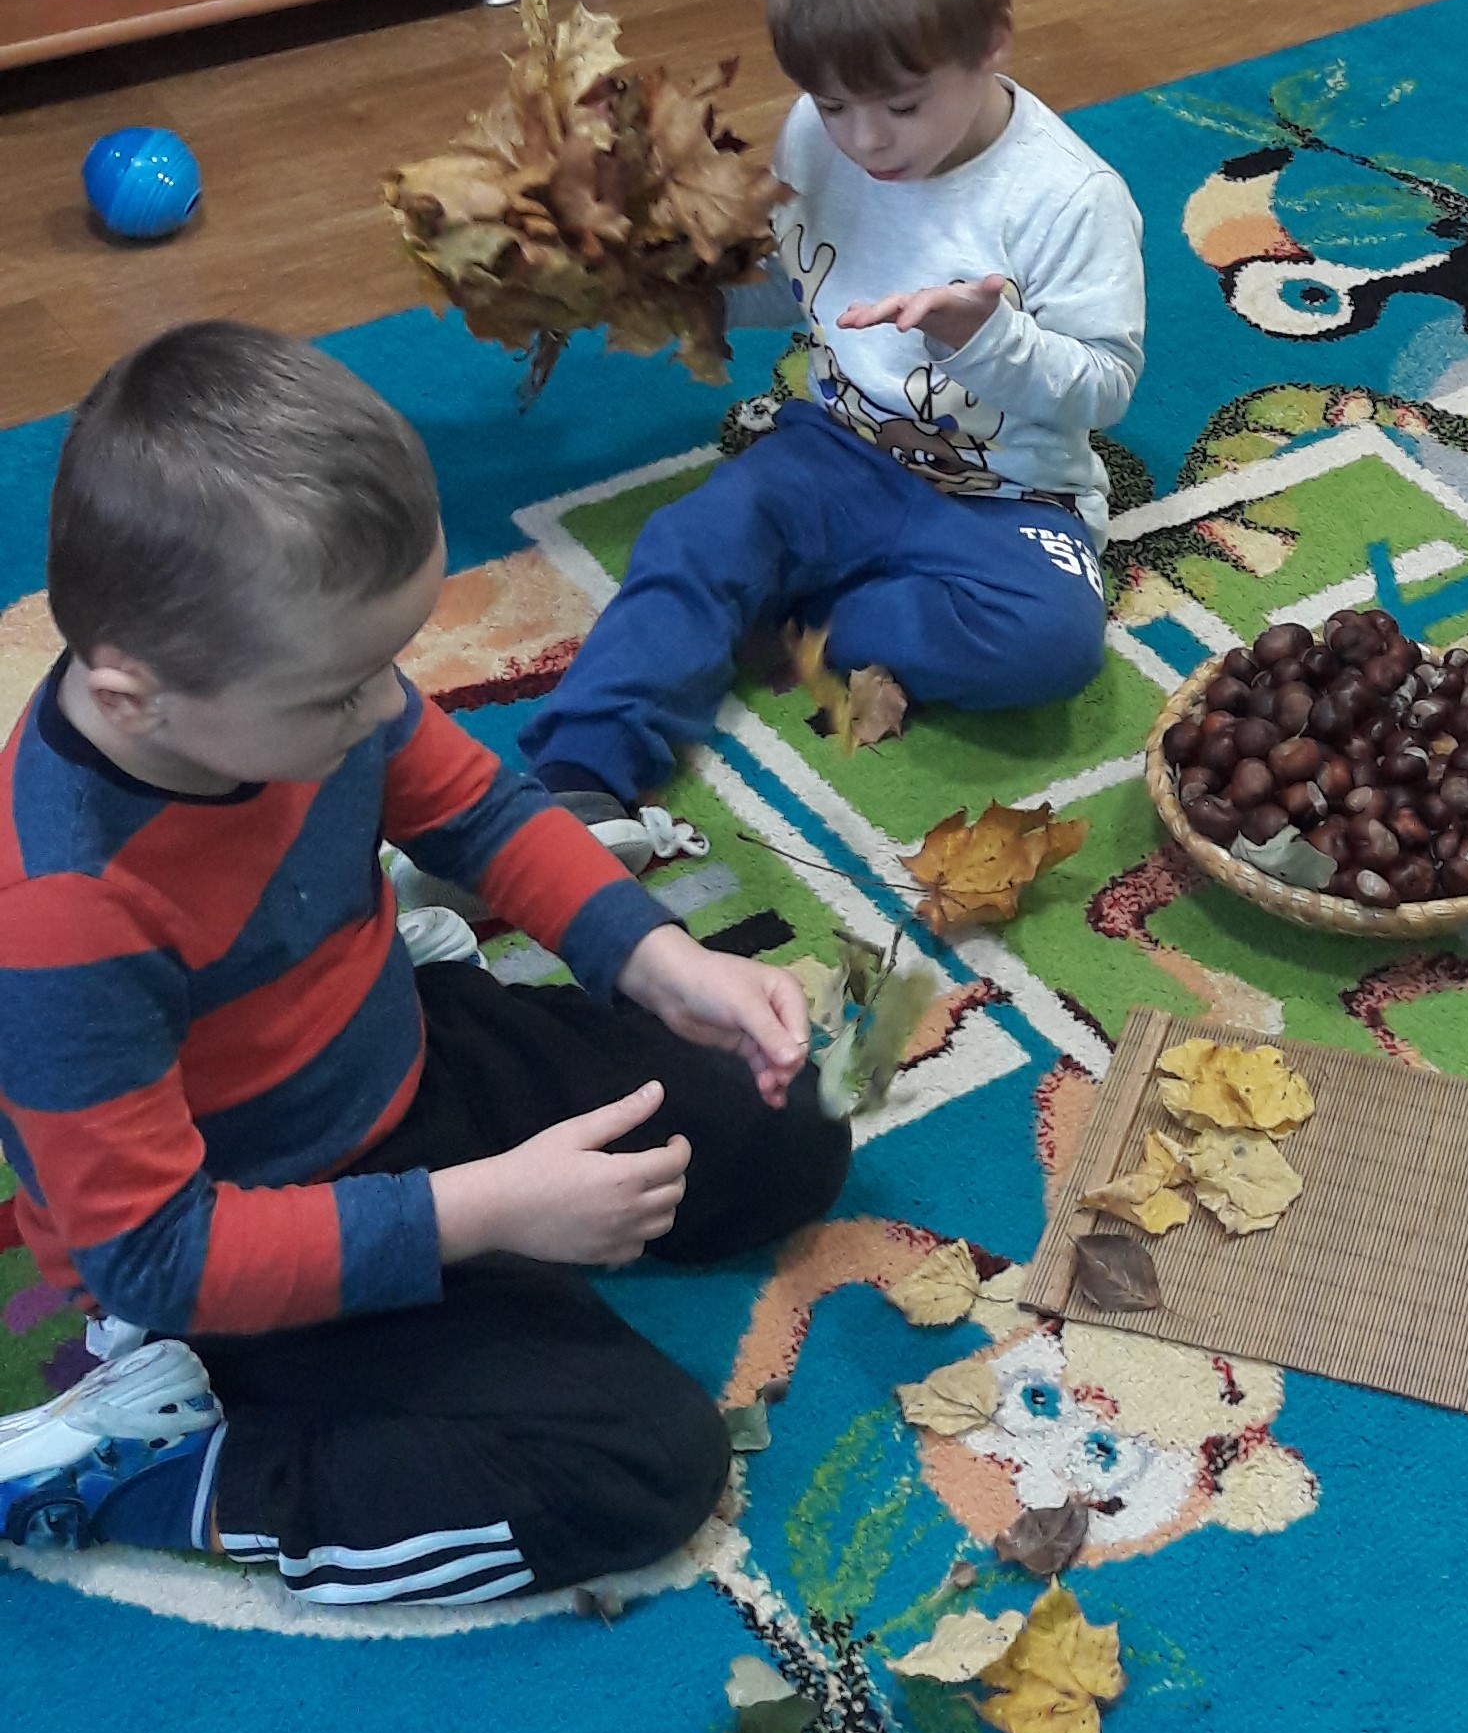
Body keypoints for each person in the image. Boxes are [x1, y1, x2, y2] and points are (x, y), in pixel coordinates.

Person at [0, 322, 844, 1602]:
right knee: (643, 1468)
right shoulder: (59, 912)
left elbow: (482, 811)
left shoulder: (296, 683)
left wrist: (660, 956)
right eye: (336, 691)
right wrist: (486, 1209)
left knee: (787, 1129)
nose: (381, 705)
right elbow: (157, 1253)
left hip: (398, 1051)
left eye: (383, 663)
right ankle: (187, 1473)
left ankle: (495, 1212)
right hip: (244, 1237)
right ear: (132, 696)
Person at [518, 0, 1145, 820]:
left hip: (1007, 495)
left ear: (992, 42)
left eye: (902, 105)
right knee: (692, 538)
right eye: (836, 104)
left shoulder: (1069, 197)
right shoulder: (816, 134)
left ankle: (794, 608)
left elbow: (1106, 385)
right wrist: (666, 282)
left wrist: (986, 340)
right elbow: (802, 282)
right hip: (839, 449)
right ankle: (581, 772)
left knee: (1054, 642)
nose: (865, 140)